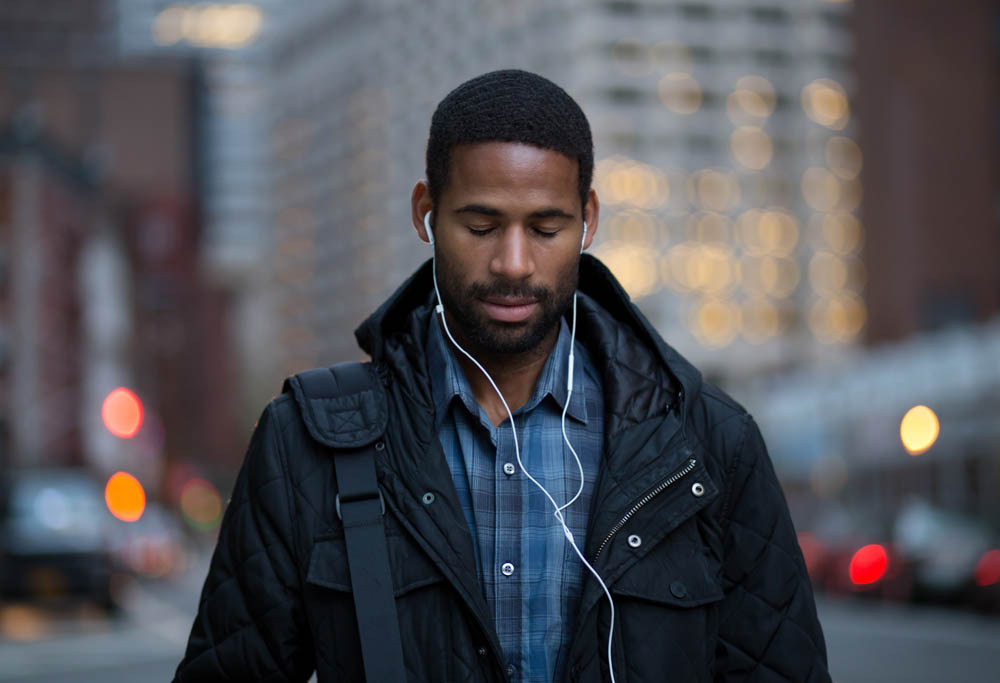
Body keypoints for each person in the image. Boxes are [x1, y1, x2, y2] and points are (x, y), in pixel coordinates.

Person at [174, 69, 830, 683]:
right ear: (425, 211)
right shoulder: (304, 445)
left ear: (589, 220)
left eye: (546, 227)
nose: (514, 262)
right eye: (481, 224)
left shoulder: (709, 446)